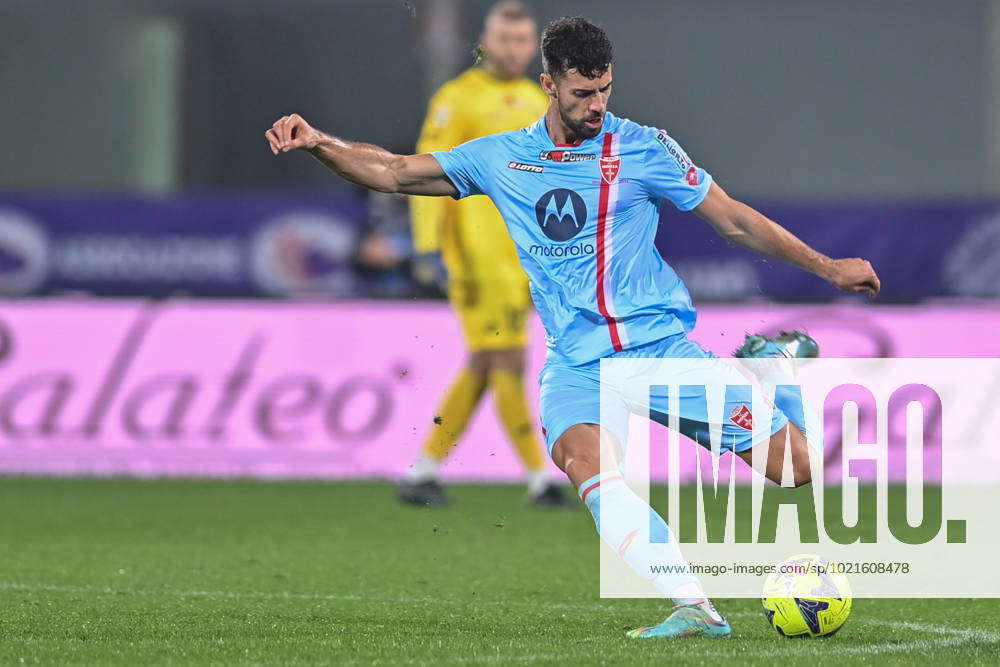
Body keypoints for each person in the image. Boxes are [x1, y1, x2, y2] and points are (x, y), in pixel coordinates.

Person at [264, 16, 880, 639]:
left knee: (796, 472)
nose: (597, 105)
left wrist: (827, 267)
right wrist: (320, 141)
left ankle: (778, 368)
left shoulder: (643, 147)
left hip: (659, 350)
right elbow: (395, 171)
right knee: (583, 464)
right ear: (549, 85)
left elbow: (735, 222)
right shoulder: (503, 157)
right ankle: (697, 607)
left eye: (605, 89)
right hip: (579, 363)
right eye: (582, 93)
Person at [403, 1, 568, 508]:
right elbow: (422, 171)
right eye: (505, 39)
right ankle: (540, 478)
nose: (514, 49)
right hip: (475, 256)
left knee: (484, 363)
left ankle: (422, 472)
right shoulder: (457, 99)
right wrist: (429, 247)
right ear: (485, 42)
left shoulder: (535, 98)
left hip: (526, 256)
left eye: (523, 41)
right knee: (510, 360)